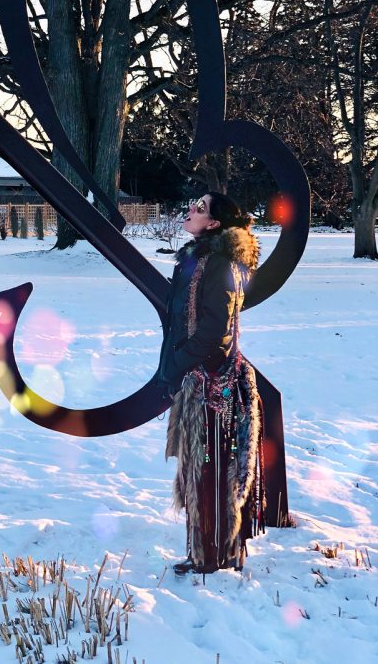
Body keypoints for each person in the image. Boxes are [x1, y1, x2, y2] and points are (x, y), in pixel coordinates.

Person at [157, 191, 266, 575]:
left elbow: (214, 332)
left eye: (199, 209)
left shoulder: (218, 264)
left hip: (211, 384)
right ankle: (206, 553)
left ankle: (215, 556)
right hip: (200, 380)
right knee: (201, 467)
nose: (190, 210)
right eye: (192, 204)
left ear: (215, 224)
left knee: (212, 468)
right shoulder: (200, 260)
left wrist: (176, 366)